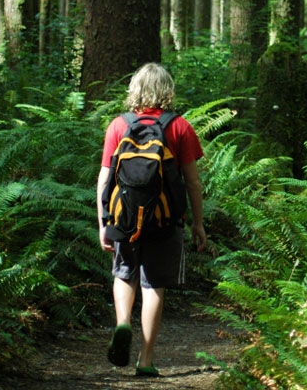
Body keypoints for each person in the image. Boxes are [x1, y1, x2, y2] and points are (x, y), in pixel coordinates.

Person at [96, 62, 207, 377]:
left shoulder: (119, 126)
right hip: (166, 220)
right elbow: (192, 181)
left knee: (124, 274)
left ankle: (122, 323)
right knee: (153, 284)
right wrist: (197, 223)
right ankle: (145, 360)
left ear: (135, 89)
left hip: (124, 219)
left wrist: (104, 222)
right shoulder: (179, 127)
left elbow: (104, 179)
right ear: (167, 91)